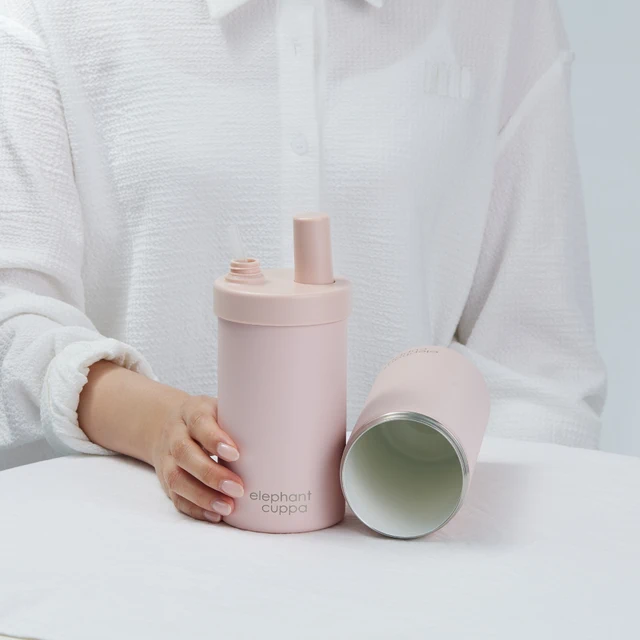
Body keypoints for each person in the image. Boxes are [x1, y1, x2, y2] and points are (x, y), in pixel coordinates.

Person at [0, 0, 606, 522]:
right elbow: (14, 319)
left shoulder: (500, 16)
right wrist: (157, 425)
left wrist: (446, 541)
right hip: (131, 553)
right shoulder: (54, 13)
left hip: (411, 557)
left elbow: (542, 372)